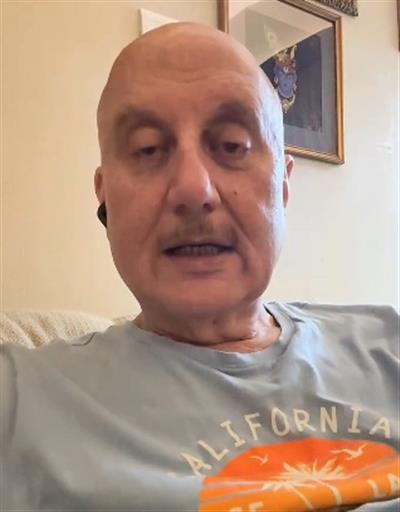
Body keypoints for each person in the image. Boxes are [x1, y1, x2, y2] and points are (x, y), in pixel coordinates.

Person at [1, 22, 398, 512]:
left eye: (232, 145)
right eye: (148, 149)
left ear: (284, 184)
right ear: (105, 197)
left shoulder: (388, 344)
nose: (194, 189)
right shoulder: (20, 400)